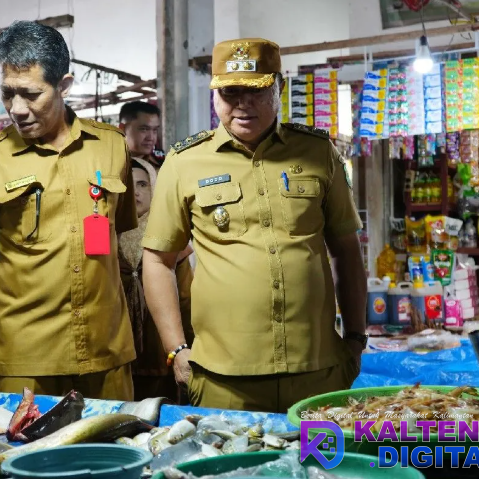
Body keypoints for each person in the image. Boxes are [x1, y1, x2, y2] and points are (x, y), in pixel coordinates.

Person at [142, 38, 367, 413]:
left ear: (279, 88)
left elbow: (346, 248)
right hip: (223, 377)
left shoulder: (317, 152)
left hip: (317, 369)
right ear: (215, 95)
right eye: (230, 92)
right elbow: (157, 260)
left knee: (321, 454)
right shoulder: (184, 163)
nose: (243, 104)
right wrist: (176, 350)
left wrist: (357, 338)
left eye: (257, 90)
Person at [0, 21, 138, 399]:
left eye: (31, 94)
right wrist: (28, 304)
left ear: (64, 85)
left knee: (114, 438)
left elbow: (113, 233)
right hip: (25, 358)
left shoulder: (112, 147)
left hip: (105, 349)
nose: (17, 109)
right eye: (8, 93)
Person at [119, 157, 194, 402]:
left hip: (162, 351)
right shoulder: (105, 235)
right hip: (118, 353)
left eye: (143, 184)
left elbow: (186, 297)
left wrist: (187, 346)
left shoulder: (168, 237)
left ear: (155, 188)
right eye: (127, 186)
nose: (135, 193)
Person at [119, 101, 165, 170]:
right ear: (122, 129)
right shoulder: (106, 163)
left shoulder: (162, 160)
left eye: (155, 130)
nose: (151, 138)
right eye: (144, 129)